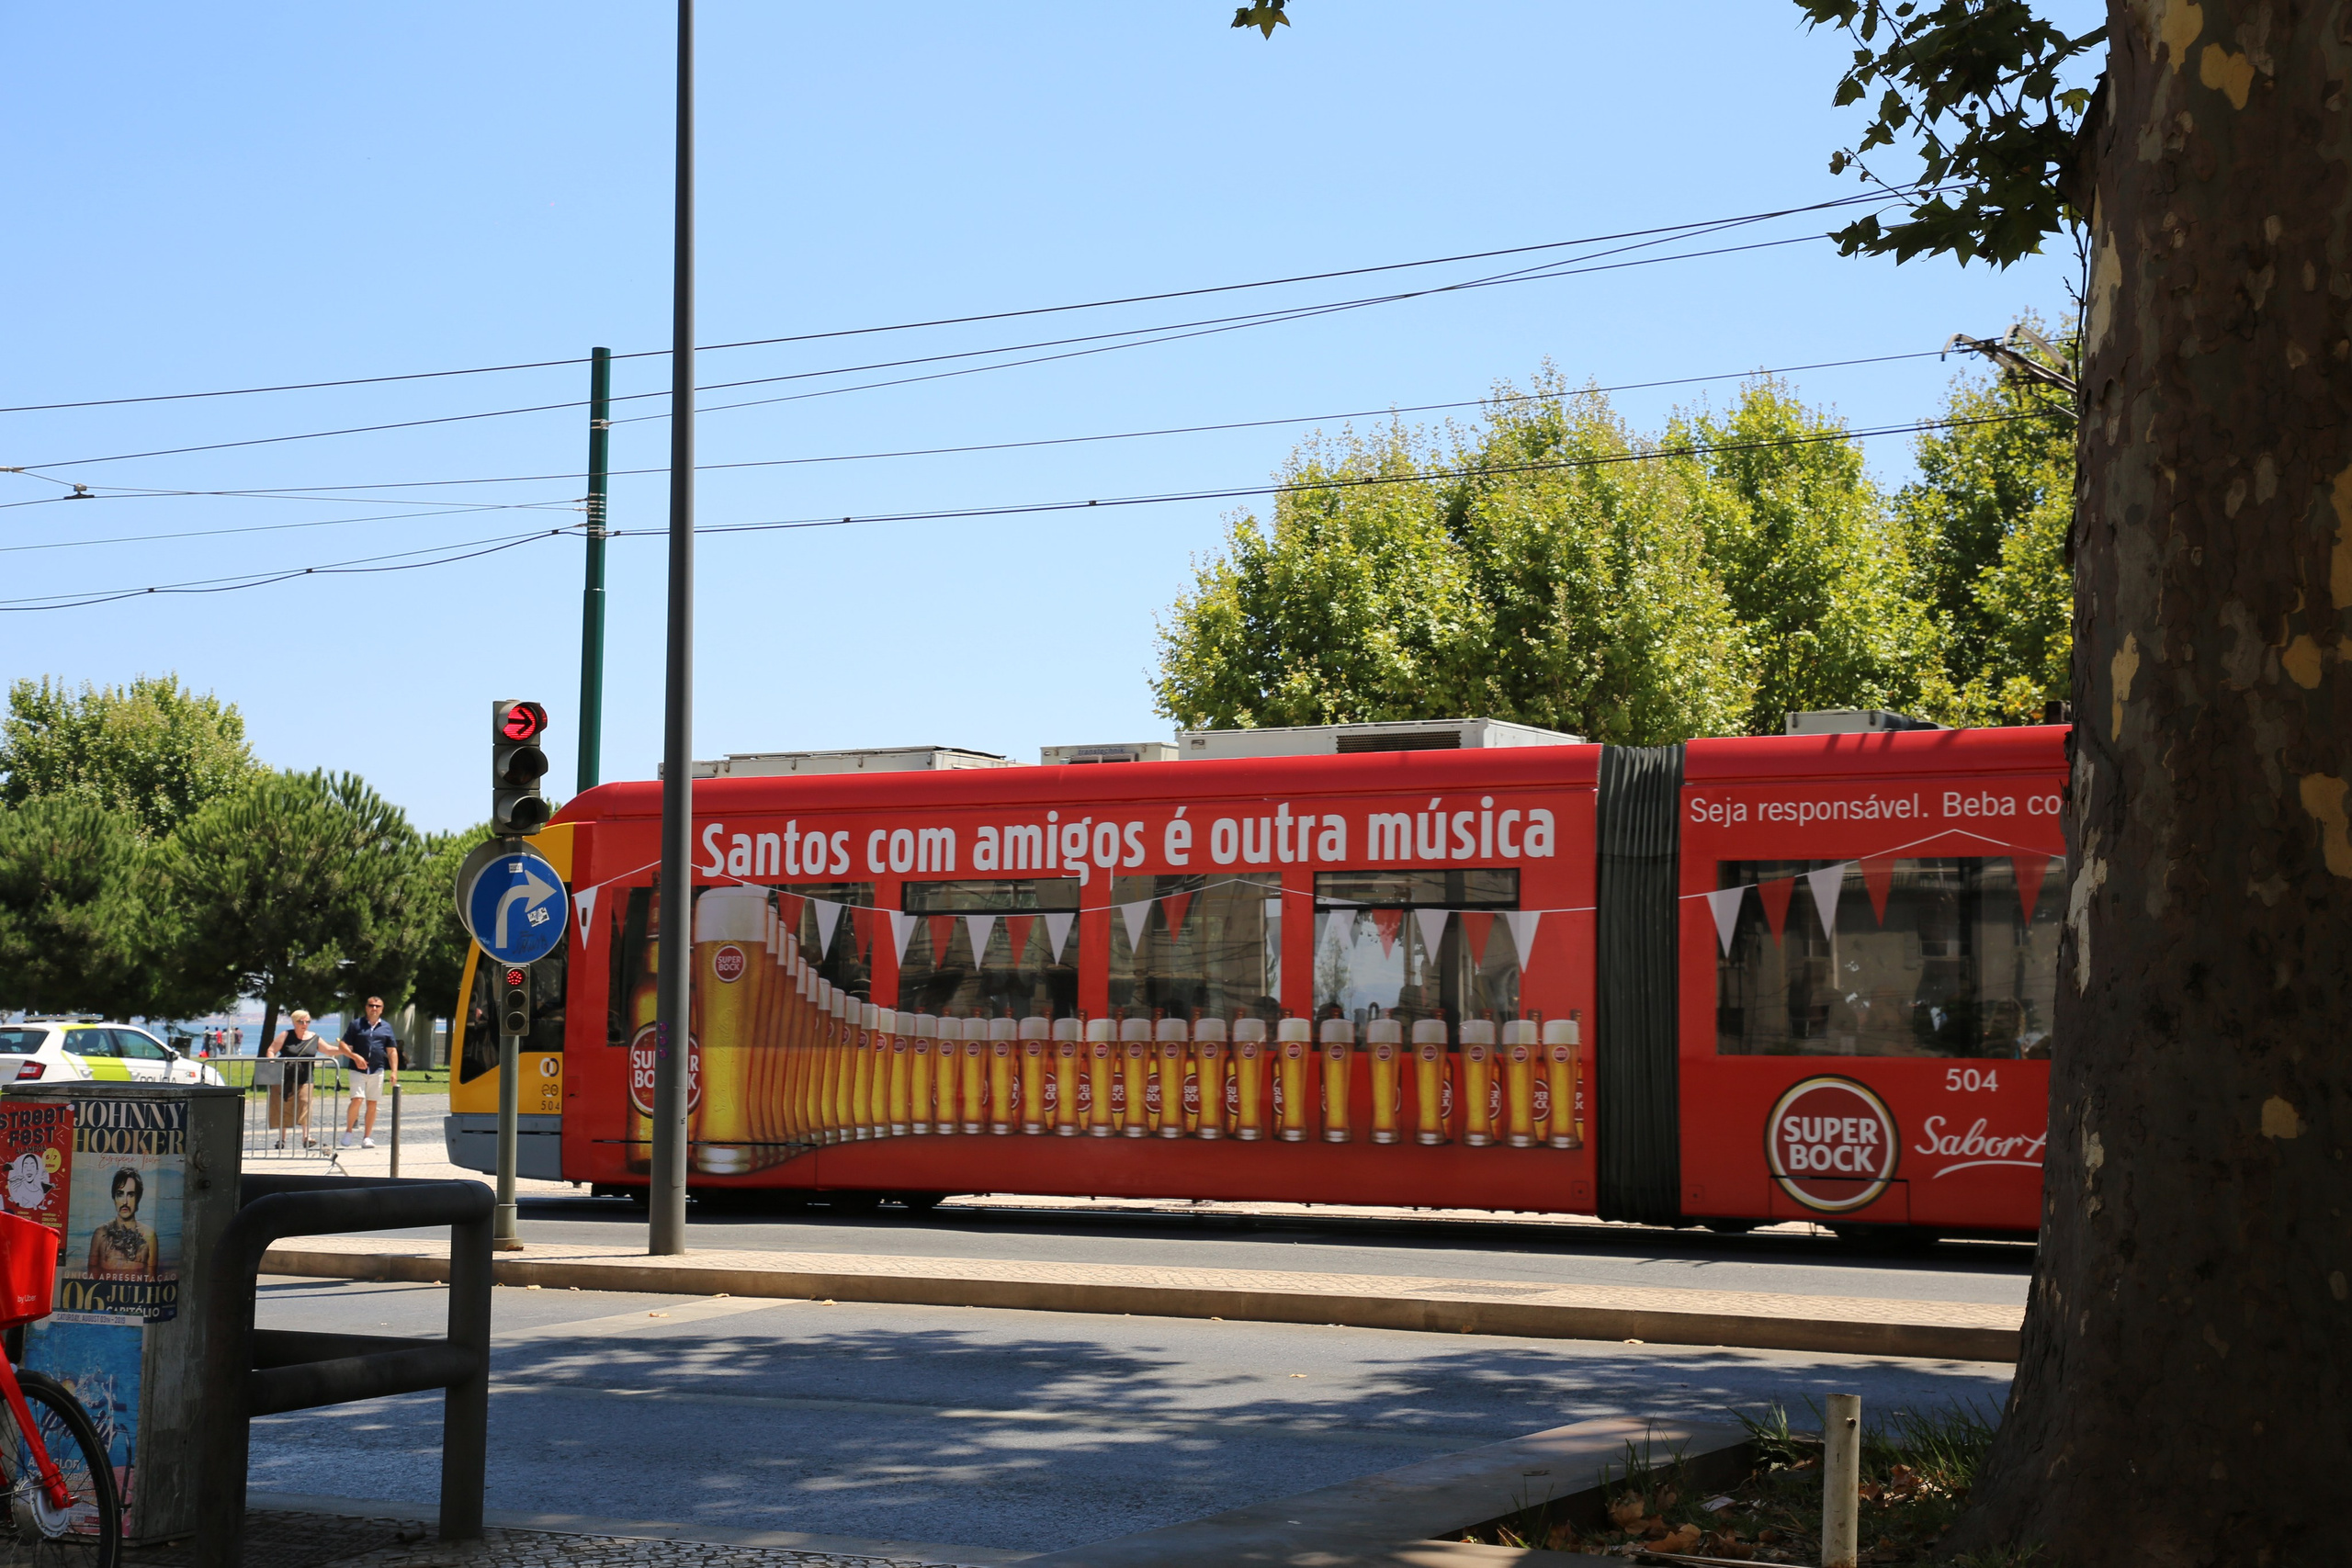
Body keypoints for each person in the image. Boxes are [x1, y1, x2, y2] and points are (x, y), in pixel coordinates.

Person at [334, 997, 401, 1148]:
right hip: (357, 1069)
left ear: (382, 1009)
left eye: (378, 1006)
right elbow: (343, 1045)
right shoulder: (356, 1024)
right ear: (366, 1007)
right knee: (357, 1099)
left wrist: (394, 1072)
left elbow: (392, 1051)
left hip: (377, 1069)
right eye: (371, 1005)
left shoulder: (386, 1027)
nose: (374, 1008)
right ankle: (349, 1131)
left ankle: (367, 1137)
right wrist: (354, 1056)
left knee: (372, 1103)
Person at [85, 1168, 159, 1279]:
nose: (125, 1202)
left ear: (138, 1198)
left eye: (131, 1194)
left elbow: (151, 1282)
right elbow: (91, 1280)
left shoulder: (149, 1236)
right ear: (114, 1197)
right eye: (120, 1194)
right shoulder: (100, 1234)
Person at [266, 1010, 322, 1148]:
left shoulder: (314, 1037)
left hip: (305, 1077)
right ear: (294, 1022)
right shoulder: (286, 1035)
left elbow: (329, 1050)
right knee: (284, 1104)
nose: (304, 1024)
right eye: (301, 1021)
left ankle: (306, 1137)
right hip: (285, 1075)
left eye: (307, 1021)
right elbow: (271, 1050)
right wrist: (272, 1063)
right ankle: (282, 1139)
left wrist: (346, 1050)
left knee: (305, 1102)